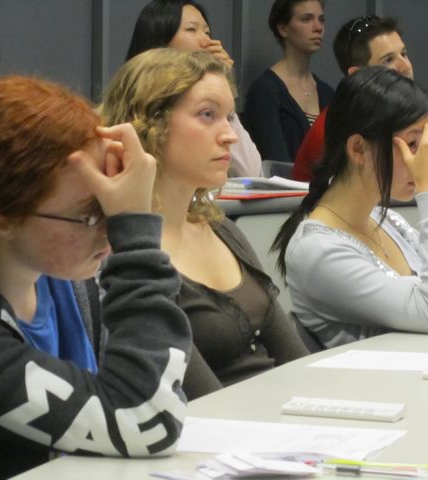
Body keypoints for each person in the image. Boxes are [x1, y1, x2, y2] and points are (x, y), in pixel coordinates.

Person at [0, 76, 191, 479]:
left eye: (111, 206)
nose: (109, 234)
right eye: (90, 213)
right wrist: (137, 236)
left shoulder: (63, 277)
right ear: (2, 220)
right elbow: (146, 421)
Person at [100, 49, 308, 400]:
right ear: (151, 123)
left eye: (229, 117)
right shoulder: (125, 252)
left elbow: (297, 364)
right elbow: (198, 398)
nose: (229, 135)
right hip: (215, 436)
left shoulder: (221, 228)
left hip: (278, 428)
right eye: (208, 115)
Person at [272, 66, 428, 349]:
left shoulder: (386, 220)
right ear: (357, 149)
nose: (424, 159)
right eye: (413, 144)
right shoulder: (317, 250)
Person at [126, 0, 262, 177]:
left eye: (207, 31)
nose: (206, 40)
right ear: (161, 41)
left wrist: (223, 86)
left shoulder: (209, 97)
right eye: (192, 29)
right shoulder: (137, 101)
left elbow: (249, 171)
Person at [293, 15, 414, 181]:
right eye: (388, 60)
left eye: (404, 54)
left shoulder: (417, 114)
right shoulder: (333, 130)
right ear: (358, 75)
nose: (405, 67)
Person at [243, 0, 334, 164]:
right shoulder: (265, 91)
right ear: (283, 28)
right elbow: (276, 160)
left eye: (321, 19)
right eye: (306, 19)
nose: (318, 27)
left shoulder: (327, 93)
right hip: (286, 187)